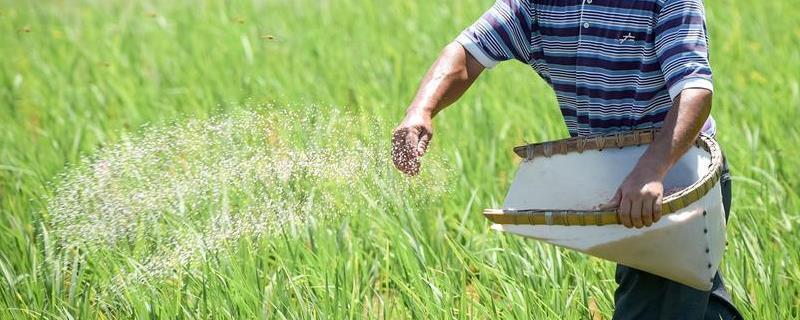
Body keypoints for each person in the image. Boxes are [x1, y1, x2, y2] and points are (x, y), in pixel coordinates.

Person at [390, 0, 741, 318]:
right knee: (696, 304)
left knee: (655, 304)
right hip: (620, 180)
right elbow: (468, 51)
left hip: (677, 179)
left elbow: (695, 91)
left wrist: (651, 170)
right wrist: (421, 109)